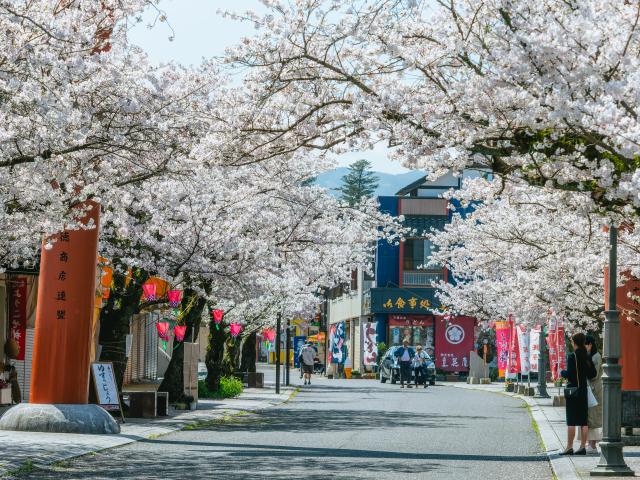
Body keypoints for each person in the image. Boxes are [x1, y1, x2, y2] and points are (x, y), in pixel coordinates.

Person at [560, 332, 597, 455]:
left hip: (573, 391)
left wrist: (562, 373)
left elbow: (570, 375)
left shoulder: (572, 356)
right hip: (583, 391)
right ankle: (582, 447)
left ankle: (569, 447)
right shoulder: (587, 356)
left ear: (574, 342)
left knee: (571, 420)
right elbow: (593, 374)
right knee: (583, 421)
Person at [585, 335, 603, 453]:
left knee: (593, 417)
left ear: (590, 344)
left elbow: (594, 375)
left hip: (595, 390)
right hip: (590, 389)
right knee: (589, 417)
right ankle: (590, 444)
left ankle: (593, 445)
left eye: (585, 344)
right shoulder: (590, 356)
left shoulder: (596, 356)